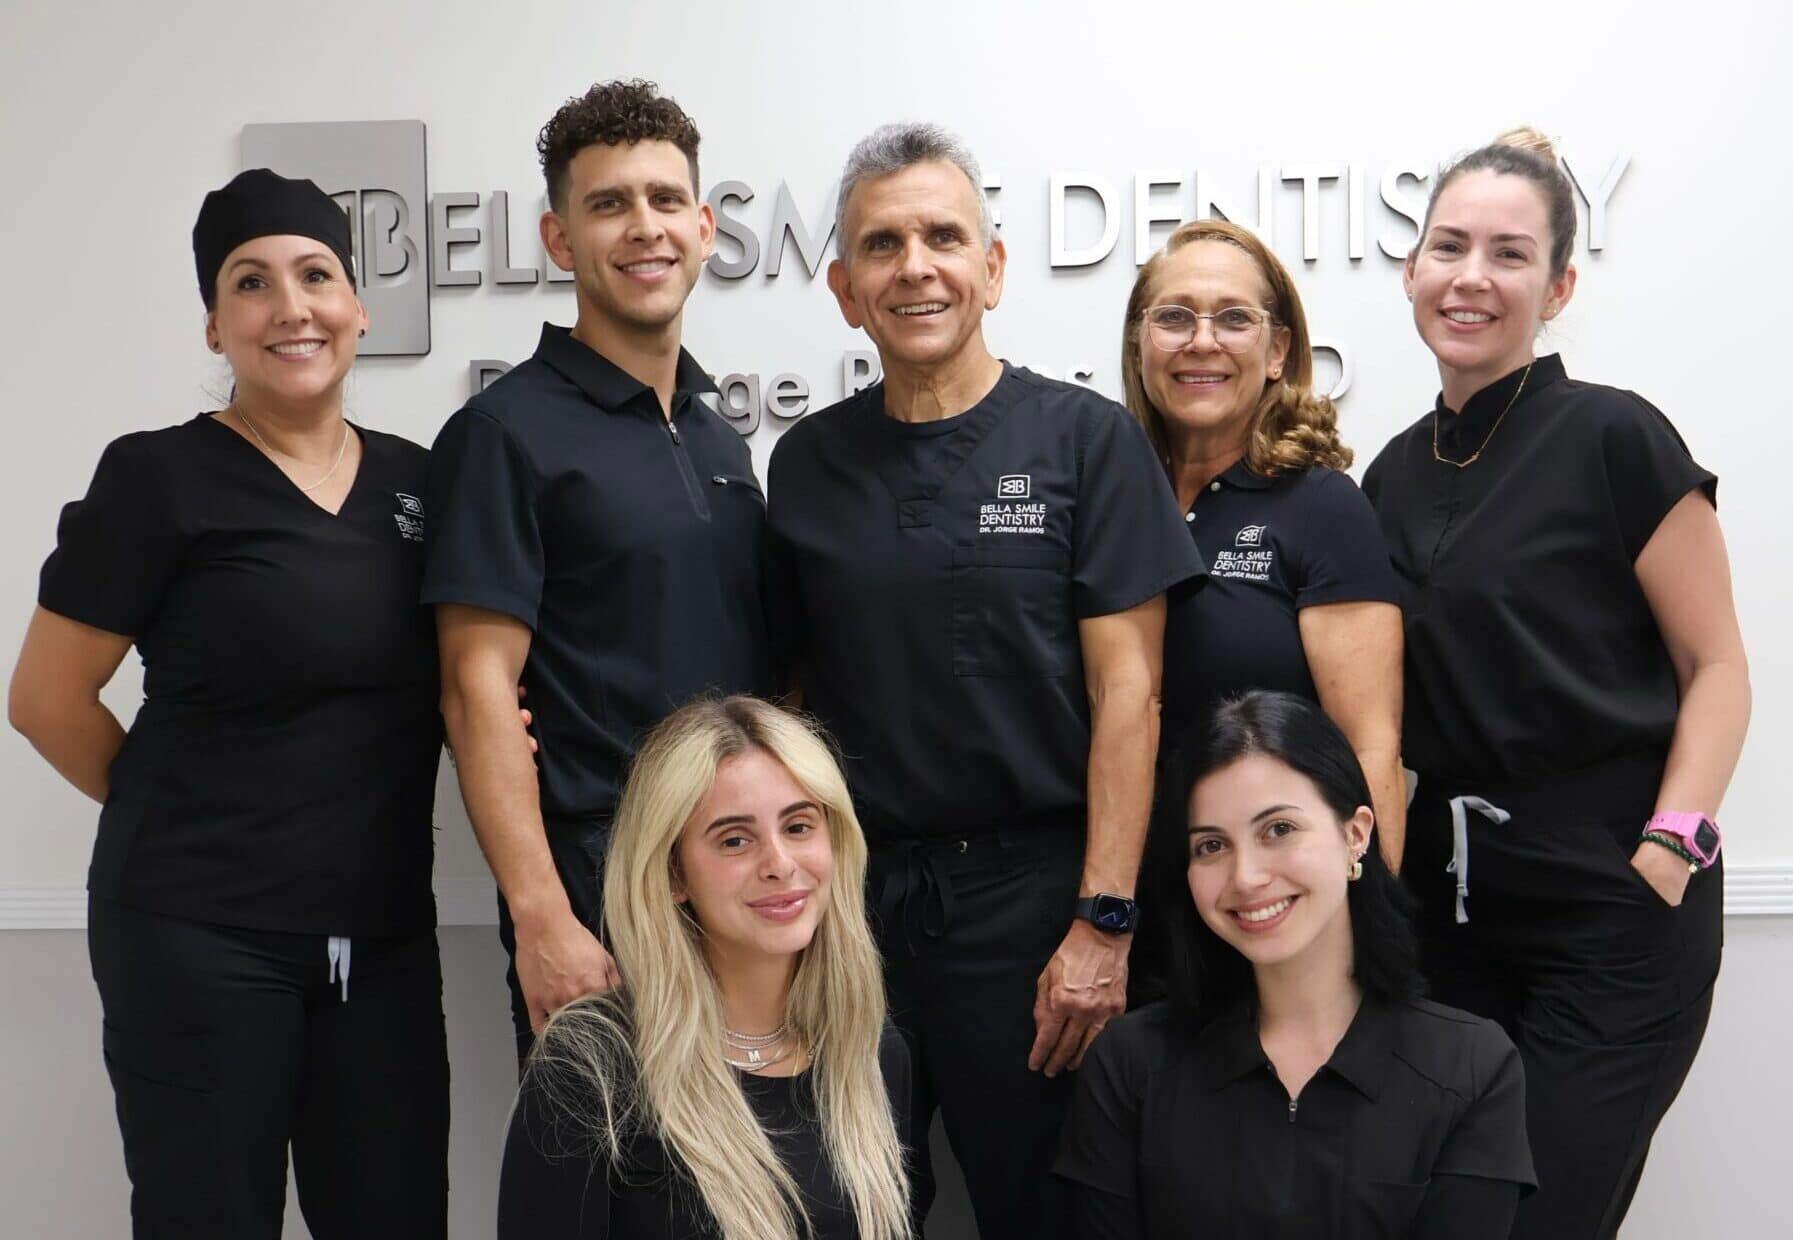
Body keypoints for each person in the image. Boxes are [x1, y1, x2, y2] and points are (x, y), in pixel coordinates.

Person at [764, 122, 1205, 1238]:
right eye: (882, 244)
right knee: (851, 1205)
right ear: (843, 290)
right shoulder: (806, 464)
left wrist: (1102, 924)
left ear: (992, 269)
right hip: (854, 910)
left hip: (1033, 908)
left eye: (943, 236)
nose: (915, 264)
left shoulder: (1085, 442)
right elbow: (789, 701)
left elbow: (1129, 699)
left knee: (1046, 1207)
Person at [8, 168, 448, 1237]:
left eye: (315, 274)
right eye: (250, 283)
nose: (289, 306)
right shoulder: (159, 478)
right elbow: (45, 699)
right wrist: (200, 815)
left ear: (358, 306)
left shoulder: (419, 484)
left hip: (377, 937)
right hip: (197, 934)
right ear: (215, 321)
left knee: (392, 1213)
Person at [1361, 127, 1751, 1239]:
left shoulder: (1617, 438)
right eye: (1447, 246)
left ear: (1558, 283)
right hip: (1447, 927)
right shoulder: (1386, 471)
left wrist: (1667, 849)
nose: (1469, 278)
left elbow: (1715, 666)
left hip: (1609, 917)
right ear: (1411, 268)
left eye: (1507, 254)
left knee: (1541, 1220)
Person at [425, 80, 773, 1063]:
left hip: (739, 871)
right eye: (608, 203)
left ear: (705, 228)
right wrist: (541, 914)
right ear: (558, 237)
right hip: (599, 878)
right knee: (607, 1196)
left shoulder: (716, 435)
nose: (643, 228)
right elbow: (473, 684)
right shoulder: (504, 433)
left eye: (665, 201)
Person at [1055, 691, 1536, 1238]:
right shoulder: (1128, 1063)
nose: (1245, 877)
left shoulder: (1474, 1068)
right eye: (1211, 845)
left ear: (1355, 834)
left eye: (1278, 830)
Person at [497, 696, 912, 1240]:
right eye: (735, 840)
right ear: (674, 875)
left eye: (799, 827)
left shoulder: (871, 1050)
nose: (780, 865)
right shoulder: (590, 1069)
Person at [1120, 218, 1404, 864]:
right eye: (1173, 318)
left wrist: (1369, 942)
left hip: (1272, 900)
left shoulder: (1322, 507)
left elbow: (1370, 749)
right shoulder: (1109, 501)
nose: (1201, 341)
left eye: (1232, 319)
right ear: (1139, 342)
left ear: (1277, 350)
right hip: (1126, 907)